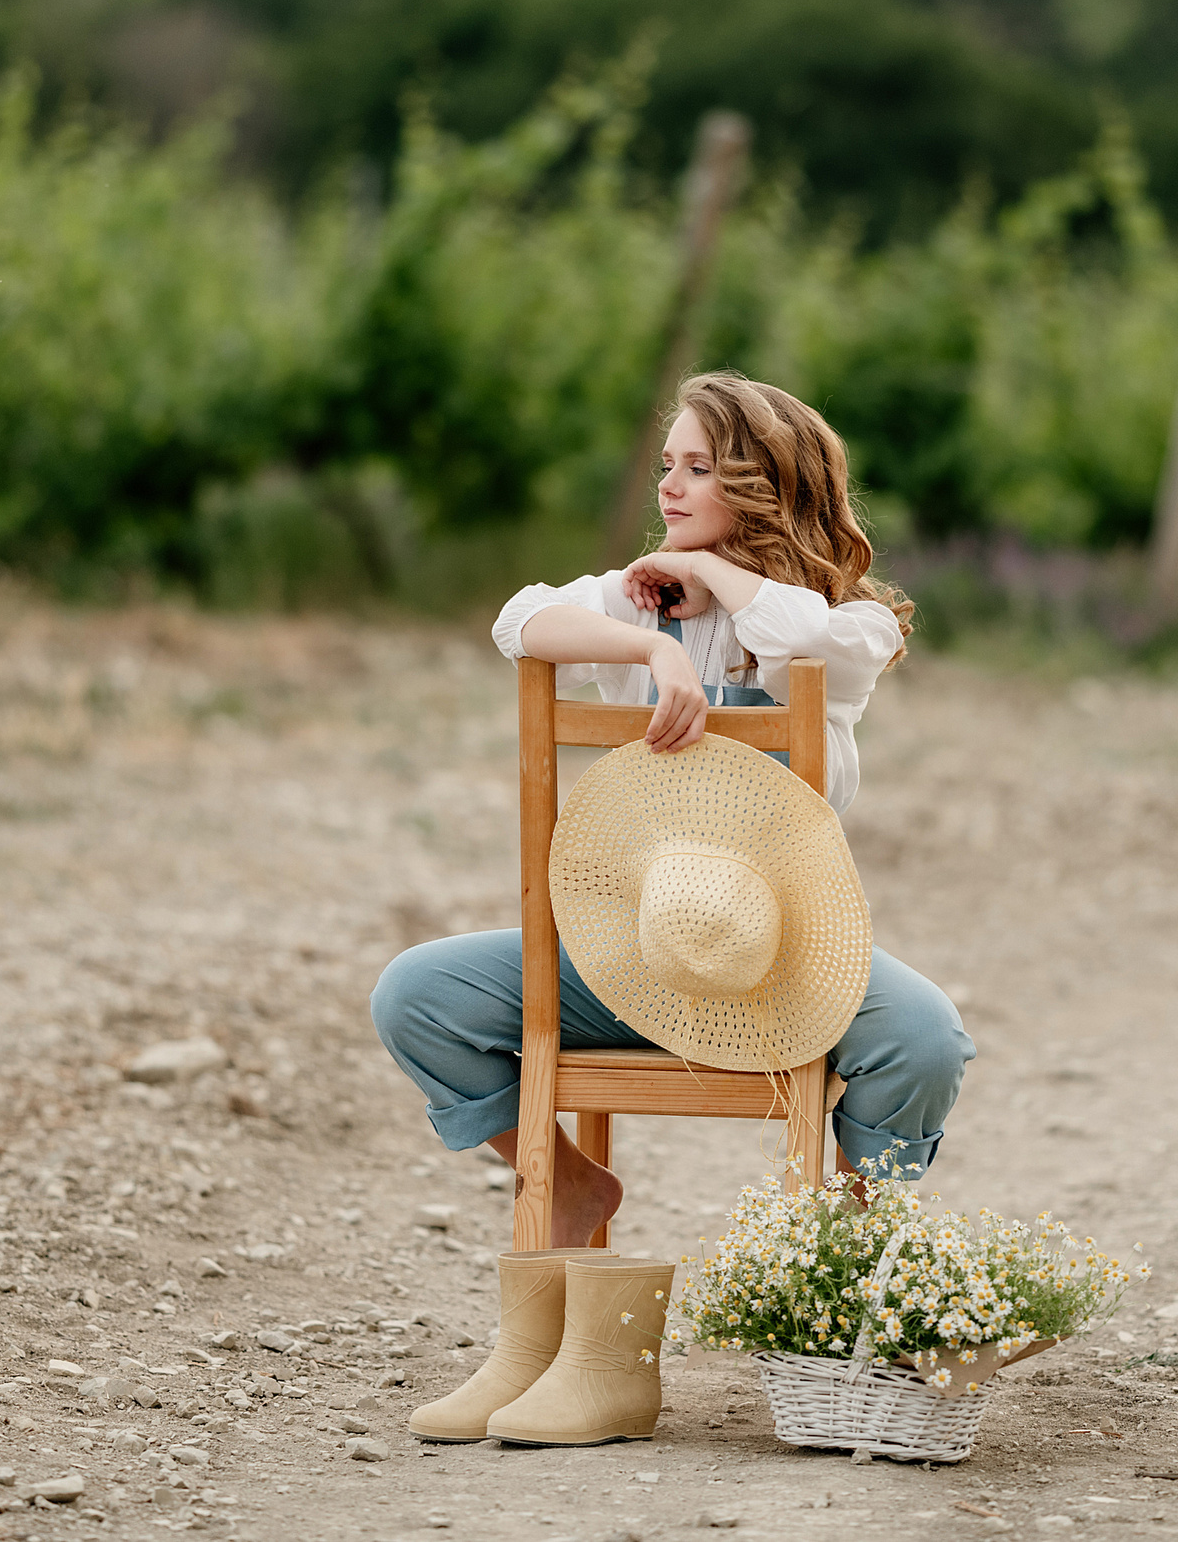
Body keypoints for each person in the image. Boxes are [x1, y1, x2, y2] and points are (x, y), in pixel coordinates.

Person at [368, 371, 974, 1249]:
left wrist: (711, 572)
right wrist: (654, 645)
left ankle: (839, 1252)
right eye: (667, 463)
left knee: (926, 1040)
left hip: (784, 962)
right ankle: (570, 1185)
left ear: (766, 485)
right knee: (414, 996)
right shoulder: (639, 597)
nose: (668, 486)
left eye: (698, 467)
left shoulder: (851, 626)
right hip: (633, 953)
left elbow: (803, 641)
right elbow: (518, 622)